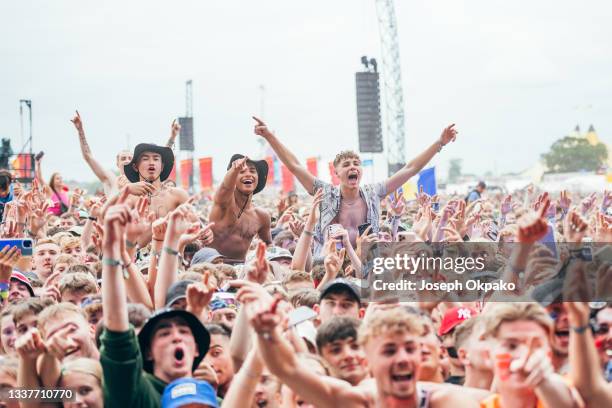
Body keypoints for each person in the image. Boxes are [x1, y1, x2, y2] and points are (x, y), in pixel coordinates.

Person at [253, 116, 457, 253]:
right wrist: (270, 136)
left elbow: (410, 169)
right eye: (347, 165)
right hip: (327, 263)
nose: (353, 167)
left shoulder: (374, 192)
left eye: (356, 164)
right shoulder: (325, 192)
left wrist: (439, 143)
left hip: (367, 264)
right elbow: (295, 166)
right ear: (337, 172)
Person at [248, 304, 481, 407]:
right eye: (389, 351)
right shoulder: (357, 402)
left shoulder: (448, 401)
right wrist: (267, 332)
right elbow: (286, 369)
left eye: (410, 349)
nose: (402, 358)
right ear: (367, 357)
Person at [99, 197, 210, 407]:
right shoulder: (139, 395)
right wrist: (113, 252)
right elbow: (117, 334)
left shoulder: (215, 398)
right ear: (147, 351)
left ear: (196, 347)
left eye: (184, 332)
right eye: (164, 333)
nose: (176, 337)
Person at [71, 111, 181, 195]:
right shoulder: (111, 179)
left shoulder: (141, 181)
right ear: (117, 163)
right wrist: (80, 130)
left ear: (135, 164)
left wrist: (172, 137)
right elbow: (88, 157)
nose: (127, 160)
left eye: (130, 158)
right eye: (123, 158)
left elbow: (160, 159)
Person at [208, 154, 271, 263]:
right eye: (242, 172)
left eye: (252, 171)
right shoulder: (224, 202)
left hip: (240, 271)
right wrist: (234, 170)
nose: (248, 174)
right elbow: (226, 187)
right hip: (212, 268)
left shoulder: (262, 216)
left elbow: (268, 244)